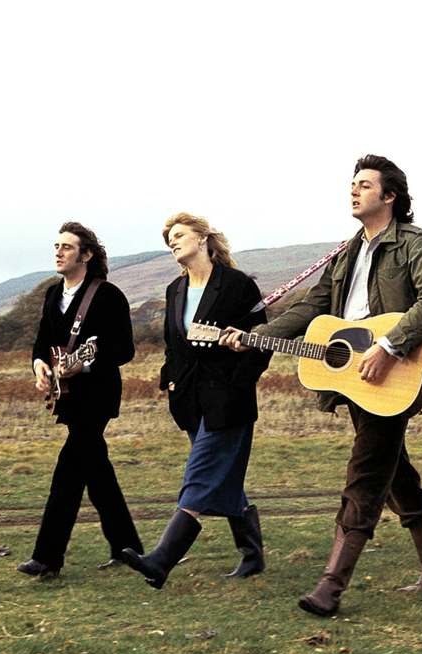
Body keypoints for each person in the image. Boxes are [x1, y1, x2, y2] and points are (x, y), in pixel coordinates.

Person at [222, 155, 422, 616]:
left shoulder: (411, 243)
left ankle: (331, 586)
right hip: (354, 379)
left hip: (394, 370)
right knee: (396, 473)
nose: (354, 191)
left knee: (366, 474)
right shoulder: (346, 252)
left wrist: (389, 346)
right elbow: (312, 308)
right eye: (352, 184)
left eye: (365, 185)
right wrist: (255, 339)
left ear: (389, 196)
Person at [121, 212, 271, 589]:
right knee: (224, 475)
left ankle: (160, 560)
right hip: (189, 400)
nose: (172, 242)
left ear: (203, 238)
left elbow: (263, 340)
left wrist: (240, 381)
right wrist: (170, 382)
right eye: (168, 239)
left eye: (179, 235)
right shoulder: (175, 289)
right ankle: (252, 554)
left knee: (201, 473)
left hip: (229, 400)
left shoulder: (236, 286)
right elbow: (175, 346)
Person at [17, 222, 143, 579]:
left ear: (86, 255)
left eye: (67, 247)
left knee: (69, 469)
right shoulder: (51, 294)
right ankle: (127, 546)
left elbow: (124, 350)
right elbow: (43, 342)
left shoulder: (108, 295)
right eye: (56, 246)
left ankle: (47, 557)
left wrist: (85, 363)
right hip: (68, 398)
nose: (58, 252)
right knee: (96, 470)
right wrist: (40, 365)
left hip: (97, 396)